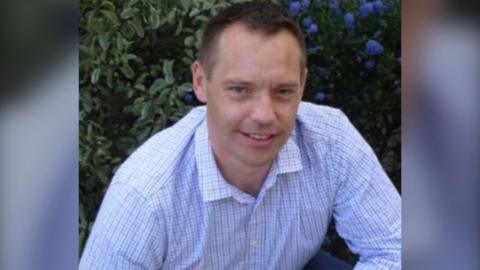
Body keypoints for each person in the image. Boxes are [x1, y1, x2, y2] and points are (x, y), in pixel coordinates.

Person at [80, 2, 401, 269]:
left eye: (283, 91)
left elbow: (395, 250)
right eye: (239, 90)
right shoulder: (146, 193)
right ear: (201, 81)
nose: (264, 115)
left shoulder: (330, 140)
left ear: (302, 84)